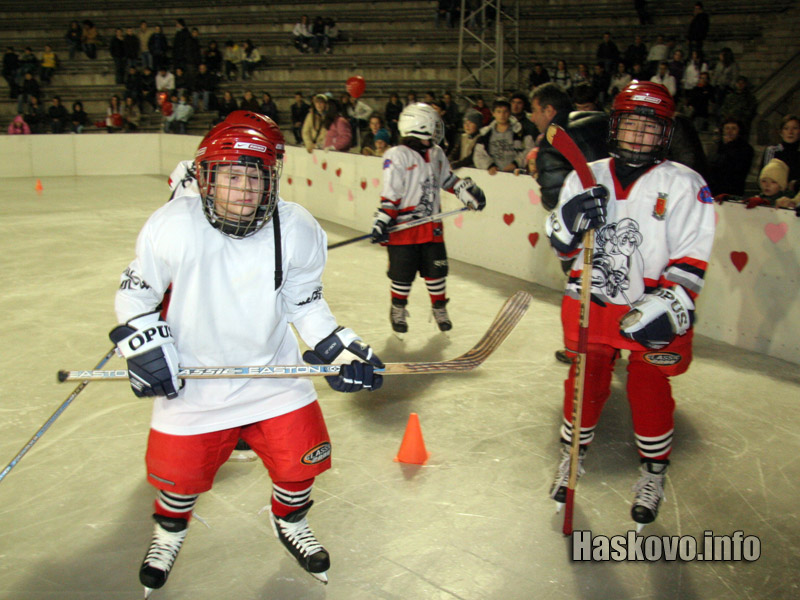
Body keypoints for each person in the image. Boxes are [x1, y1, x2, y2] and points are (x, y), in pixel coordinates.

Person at [110, 110, 384, 595]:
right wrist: (144, 341)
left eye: (254, 177)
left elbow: (305, 303)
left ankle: (290, 520)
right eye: (231, 176)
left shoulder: (296, 227)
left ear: (271, 180)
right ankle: (169, 533)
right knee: (177, 481)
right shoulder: (172, 225)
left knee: (301, 464)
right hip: (194, 385)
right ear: (207, 178)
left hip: (273, 377)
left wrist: (336, 347)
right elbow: (137, 294)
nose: (243, 190)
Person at [544, 81, 715, 530]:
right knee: (585, 380)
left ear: (665, 134)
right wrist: (565, 224)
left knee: (648, 387)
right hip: (593, 300)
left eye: (650, 127)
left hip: (652, 302)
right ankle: (571, 457)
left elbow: (692, 257)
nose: (639, 135)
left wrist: (671, 302)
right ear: (615, 126)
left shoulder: (685, 183)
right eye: (632, 125)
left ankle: (653, 473)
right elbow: (563, 249)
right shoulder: (585, 175)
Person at [370, 103, 486, 333]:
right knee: (402, 275)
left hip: (431, 227)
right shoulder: (397, 155)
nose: (436, 130)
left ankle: (439, 308)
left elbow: (446, 179)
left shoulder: (436, 153)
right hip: (404, 228)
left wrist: (465, 192)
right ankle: (398, 309)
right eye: (433, 125)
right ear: (420, 126)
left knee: (436, 271)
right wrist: (382, 220)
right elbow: (391, 192)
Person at [473, 98, 532, 175]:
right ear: (493, 113)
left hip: (516, 175)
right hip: (493, 175)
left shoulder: (520, 131)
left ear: (510, 113)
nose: (502, 115)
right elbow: (478, 154)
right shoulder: (486, 134)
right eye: (499, 112)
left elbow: (530, 149)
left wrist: (516, 163)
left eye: (505, 112)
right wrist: (489, 166)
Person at [706, 118, 753, 197]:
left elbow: (738, 168)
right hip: (714, 188)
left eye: (733, 128)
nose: (729, 131)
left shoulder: (745, 148)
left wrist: (729, 146)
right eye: (727, 128)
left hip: (732, 188)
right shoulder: (716, 146)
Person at [761, 114, 799, 194]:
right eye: (786, 128)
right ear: (781, 132)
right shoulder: (772, 151)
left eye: (795, 128)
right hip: (774, 195)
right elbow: (765, 177)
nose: (790, 132)